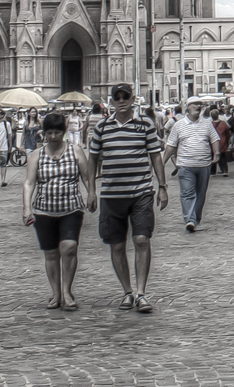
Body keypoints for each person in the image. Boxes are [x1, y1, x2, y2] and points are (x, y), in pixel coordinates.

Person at [88, 84, 167, 313]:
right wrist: (91, 191)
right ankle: (127, 292)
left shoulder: (145, 124)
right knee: (117, 244)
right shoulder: (102, 127)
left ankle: (141, 293)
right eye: (117, 97)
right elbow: (93, 158)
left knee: (142, 239)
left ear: (133, 99)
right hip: (111, 194)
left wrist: (162, 187)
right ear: (111, 101)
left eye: (125, 96)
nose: (121, 100)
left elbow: (155, 155)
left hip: (141, 191)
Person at [23, 111, 94, 311]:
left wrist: (91, 194)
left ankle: (67, 291)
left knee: (69, 247)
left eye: (57, 132)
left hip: (71, 208)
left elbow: (87, 176)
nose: (53, 137)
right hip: (44, 211)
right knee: (51, 253)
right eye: (49, 133)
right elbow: (29, 183)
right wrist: (27, 208)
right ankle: (55, 293)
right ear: (43, 134)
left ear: (63, 132)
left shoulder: (76, 150)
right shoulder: (36, 155)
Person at [164, 104, 221, 233]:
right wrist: (163, 161)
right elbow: (171, 144)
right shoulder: (178, 125)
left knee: (201, 193)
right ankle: (190, 219)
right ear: (188, 108)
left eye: (200, 105)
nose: (198, 107)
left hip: (204, 165)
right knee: (187, 193)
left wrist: (217, 153)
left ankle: (196, 219)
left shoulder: (207, 124)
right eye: (195, 105)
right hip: (185, 165)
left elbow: (215, 139)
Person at [210, 107, 232, 177]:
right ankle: (224, 170)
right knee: (222, 157)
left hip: (212, 143)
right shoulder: (223, 123)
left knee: (213, 156)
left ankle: (212, 171)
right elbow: (228, 134)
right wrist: (228, 141)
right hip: (222, 142)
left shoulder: (209, 124)